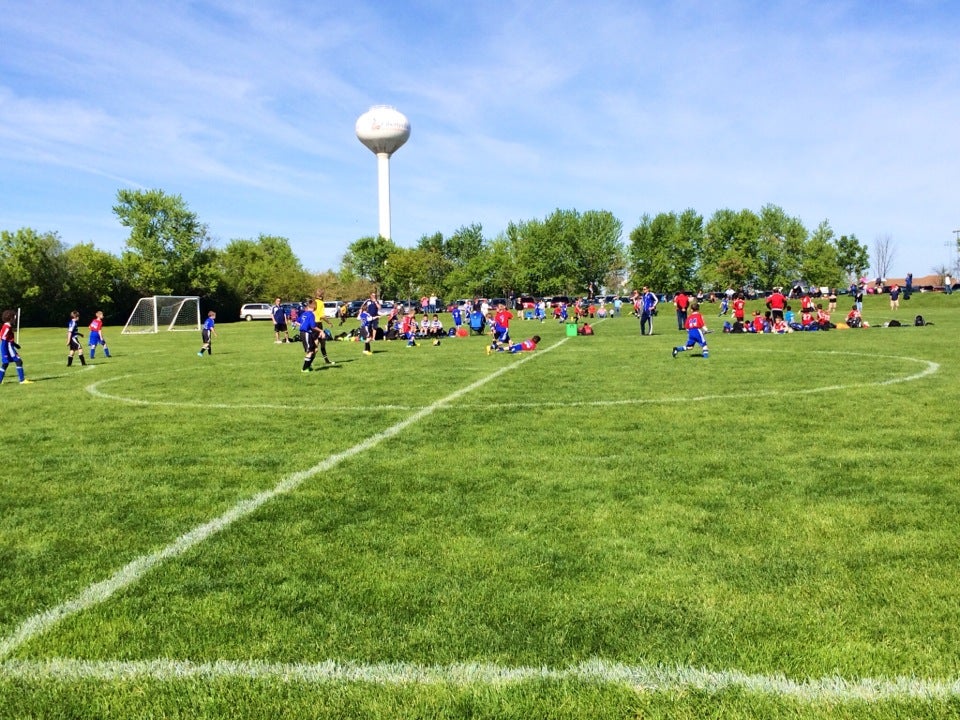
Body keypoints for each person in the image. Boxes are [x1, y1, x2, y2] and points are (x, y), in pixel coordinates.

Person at [0, 309, 32, 384]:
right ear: (10, 318)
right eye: (14, 318)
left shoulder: (7, 326)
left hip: (8, 346)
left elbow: (7, 338)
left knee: (5, 364)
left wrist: (15, 345)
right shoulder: (7, 327)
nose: (15, 320)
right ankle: (22, 380)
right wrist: (5, 352)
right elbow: (3, 338)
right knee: (18, 361)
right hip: (7, 347)